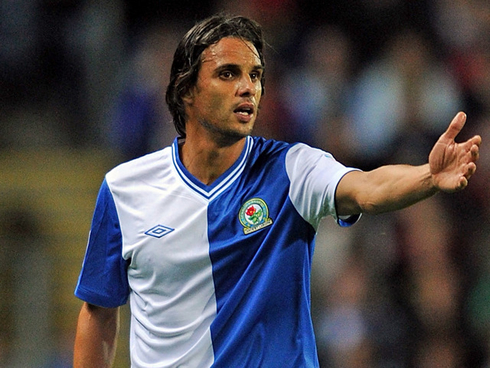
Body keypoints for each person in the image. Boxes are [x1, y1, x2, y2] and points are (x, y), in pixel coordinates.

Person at [73, 13, 481, 368]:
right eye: (228, 73)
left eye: (255, 75)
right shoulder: (124, 188)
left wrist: (427, 175)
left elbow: (367, 187)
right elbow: (98, 311)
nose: (247, 87)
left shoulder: (293, 170)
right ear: (186, 90)